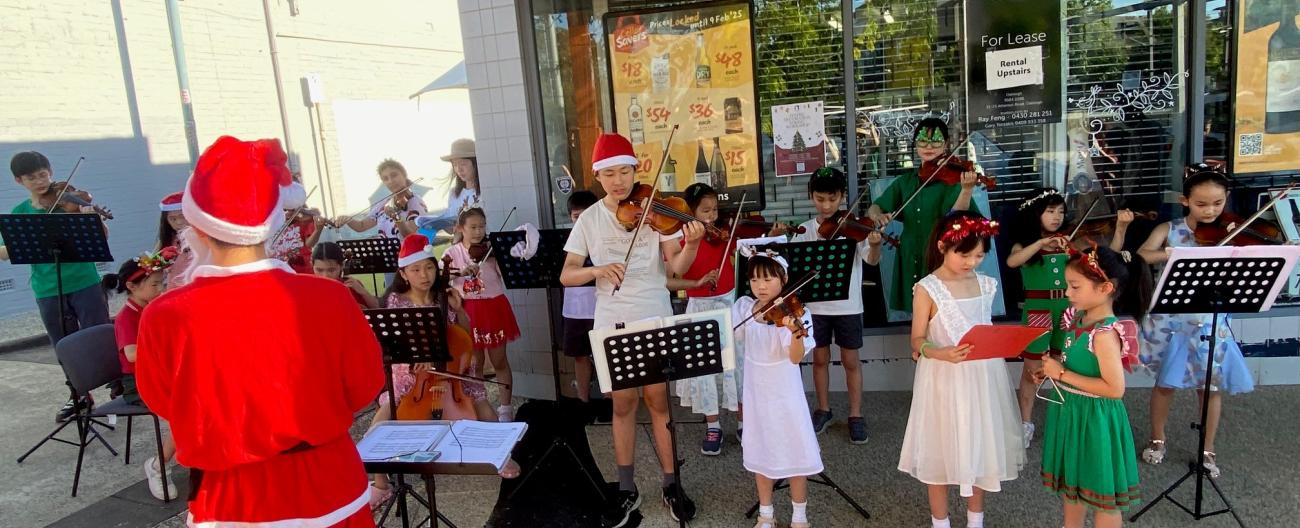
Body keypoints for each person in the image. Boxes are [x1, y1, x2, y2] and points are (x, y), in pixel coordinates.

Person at [135, 136, 382, 527]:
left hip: (232, 499)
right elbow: (365, 386)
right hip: (330, 481)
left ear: (194, 229)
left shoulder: (165, 315)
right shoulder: (330, 297)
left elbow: (162, 400)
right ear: (271, 225)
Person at [560, 133, 703, 526]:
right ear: (598, 177)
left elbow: (676, 267)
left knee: (659, 403)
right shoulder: (590, 219)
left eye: (625, 171)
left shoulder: (657, 211)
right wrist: (596, 270)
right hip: (612, 321)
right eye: (610, 174)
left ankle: (672, 484)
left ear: (636, 170)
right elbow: (567, 273)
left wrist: (690, 244)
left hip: (653, 314)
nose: (619, 181)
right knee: (622, 405)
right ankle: (626, 487)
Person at [366, 234, 517, 507]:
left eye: (429, 267)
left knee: (478, 396)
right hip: (410, 370)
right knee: (389, 407)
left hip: (449, 366)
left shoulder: (443, 297)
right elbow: (396, 340)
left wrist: (459, 310)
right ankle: (381, 481)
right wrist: (416, 356)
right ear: (403, 272)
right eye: (416, 269)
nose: (424, 275)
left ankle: (500, 454)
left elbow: (463, 333)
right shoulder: (397, 301)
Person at [899, 210, 1023, 528]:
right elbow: (917, 340)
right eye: (964, 254)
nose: (971, 262)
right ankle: (940, 522)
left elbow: (987, 326)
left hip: (983, 376)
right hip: (942, 375)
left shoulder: (986, 284)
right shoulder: (928, 287)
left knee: (981, 444)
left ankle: (975, 520)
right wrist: (938, 352)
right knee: (938, 446)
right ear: (943, 247)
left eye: (979, 255)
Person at [1134, 164, 1255, 478]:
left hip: (1209, 320)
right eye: (1201, 204)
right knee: (1165, 384)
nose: (1211, 210)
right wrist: (1171, 254)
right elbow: (1143, 254)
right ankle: (1158, 437)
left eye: (1218, 203)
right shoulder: (1169, 229)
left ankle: (1207, 448)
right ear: (1185, 200)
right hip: (1171, 321)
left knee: (1210, 386)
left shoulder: (1233, 231)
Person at [1005, 188, 1134, 447]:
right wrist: (1041, 243)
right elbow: (1012, 262)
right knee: (1033, 369)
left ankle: (1067, 413)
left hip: (1068, 310)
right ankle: (1025, 422)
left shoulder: (1071, 242)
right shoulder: (1026, 244)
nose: (1056, 217)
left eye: (1061, 211)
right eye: (1049, 211)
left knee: (1065, 363)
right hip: (1038, 310)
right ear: (1035, 214)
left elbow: (1106, 259)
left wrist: (1120, 228)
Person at [1036, 245, 1150, 528]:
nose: (1067, 293)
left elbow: (1114, 389)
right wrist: (1051, 371)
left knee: (1102, 496)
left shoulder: (1104, 334)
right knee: (1073, 489)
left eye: (1075, 286)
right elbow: (1075, 365)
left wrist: (1060, 373)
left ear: (1105, 288)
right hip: (1072, 411)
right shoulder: (1078, 319)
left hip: (1096, 419)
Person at [0, 151, 110, 422]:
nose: (39, 181)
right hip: (47, 286)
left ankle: (118, 386)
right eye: (31, 177)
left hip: (84, 280)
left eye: (43, 174)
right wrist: (20, 244)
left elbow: (102, 237)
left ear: (50, 172)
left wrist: (90, 218)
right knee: (62, 343)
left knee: (101, 335)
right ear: (19, 180)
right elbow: (5, 251)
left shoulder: (71, 202)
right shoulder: (20, 213)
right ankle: (78, 395)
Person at [791, 167, 882, 444]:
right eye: (820, 199)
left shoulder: (855, 228)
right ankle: (824, 409)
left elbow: (872, 261)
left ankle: (856, 414)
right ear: (811, 197)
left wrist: (875, 244)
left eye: (832, 199)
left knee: (850, 360)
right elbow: (793, 266)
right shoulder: (805, 230)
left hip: (849, 306)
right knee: (819, 359)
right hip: (816, 308)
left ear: (842, 197)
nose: (827, 206)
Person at [734, 251, 822, 528]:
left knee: (794, 449)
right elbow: (735, 334)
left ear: (784, 280)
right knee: (761, 450)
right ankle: (766, 513)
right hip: (756, 391)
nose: (761, 286)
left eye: (769, 279)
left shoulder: (798, 313)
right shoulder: (744, 307)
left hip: (785, 391)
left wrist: (795, 332)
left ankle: (799, 515)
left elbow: (795, 357)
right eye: (755, 279)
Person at [868, 118, 980, 312]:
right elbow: (875, 207)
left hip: (941, 256)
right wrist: (878, 216)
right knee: (919, 318)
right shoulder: (906, 181)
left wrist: (966, 191)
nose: (929, 147)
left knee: (943, 316)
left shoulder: (953, 181)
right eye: (923, 142)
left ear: (946, 144)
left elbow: (959, 219)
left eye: (936, 142)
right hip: (911, 253)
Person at [667, 183, 743, 455]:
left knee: (737, 364)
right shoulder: (679, 238)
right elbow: (674, 275)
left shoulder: (724, 235)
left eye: (715, 210)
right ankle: (713, 425)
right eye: (705, 211)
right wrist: (692, 245)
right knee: (706, 368)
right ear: (691, 213)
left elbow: (745, 254)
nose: (712, 217)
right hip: (700, 306)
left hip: (731, 302)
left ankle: (743, 421)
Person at [104, 247, 179, 501]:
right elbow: (133, 354)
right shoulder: (127, 316)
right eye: (155, 284)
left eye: (163, 283)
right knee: (187, 410)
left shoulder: (152, 308)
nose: (161, 289)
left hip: (159, 374)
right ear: (132, 287)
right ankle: (158, 466)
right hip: (138, 383)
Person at [443, 207, 521, 422]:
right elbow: (440, 278)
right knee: (474, 363)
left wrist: (505, 258)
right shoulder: (452, 253)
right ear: (461, 228)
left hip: (493, 307)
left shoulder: (491, 251)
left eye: (482, 226)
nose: (479, 232)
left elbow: (507, 276)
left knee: (499, 360)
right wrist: (459, 272)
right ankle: (479, 405)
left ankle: (506, 409)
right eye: (473, 227)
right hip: (467, 310)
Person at [561, 191, 598, 402]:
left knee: (605, 354)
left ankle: (611, 401)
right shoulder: (567, 241)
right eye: (576, 217)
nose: (581, 221)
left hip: (600, 304)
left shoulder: (603, 238)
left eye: (585, 216)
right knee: (579, 354)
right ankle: (583, 400)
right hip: (575, 307)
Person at [333, 158, 425, 239]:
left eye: (394, 175)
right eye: (385, 179)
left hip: (409, 255)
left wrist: (396, 218)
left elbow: (409, 235)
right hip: (387, 254)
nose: (391, 181)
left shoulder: (416, 202)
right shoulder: (384, 204)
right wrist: (348, 220)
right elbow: (361, 226)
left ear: (404, 175)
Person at [311, 241, 379, 309]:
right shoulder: (308, 287)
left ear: (342, 265)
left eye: (331, 270)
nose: (325, 276)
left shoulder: (351, 285)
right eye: (319, 270)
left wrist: (363, 292)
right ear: (312, 266)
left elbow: (376, 308)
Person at [157, 191, 196, 289]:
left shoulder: (204, 238)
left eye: (182, 216)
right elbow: (155, 266)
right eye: (172, 219)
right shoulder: (169, 239)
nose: (178, 222)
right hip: (174, 291)